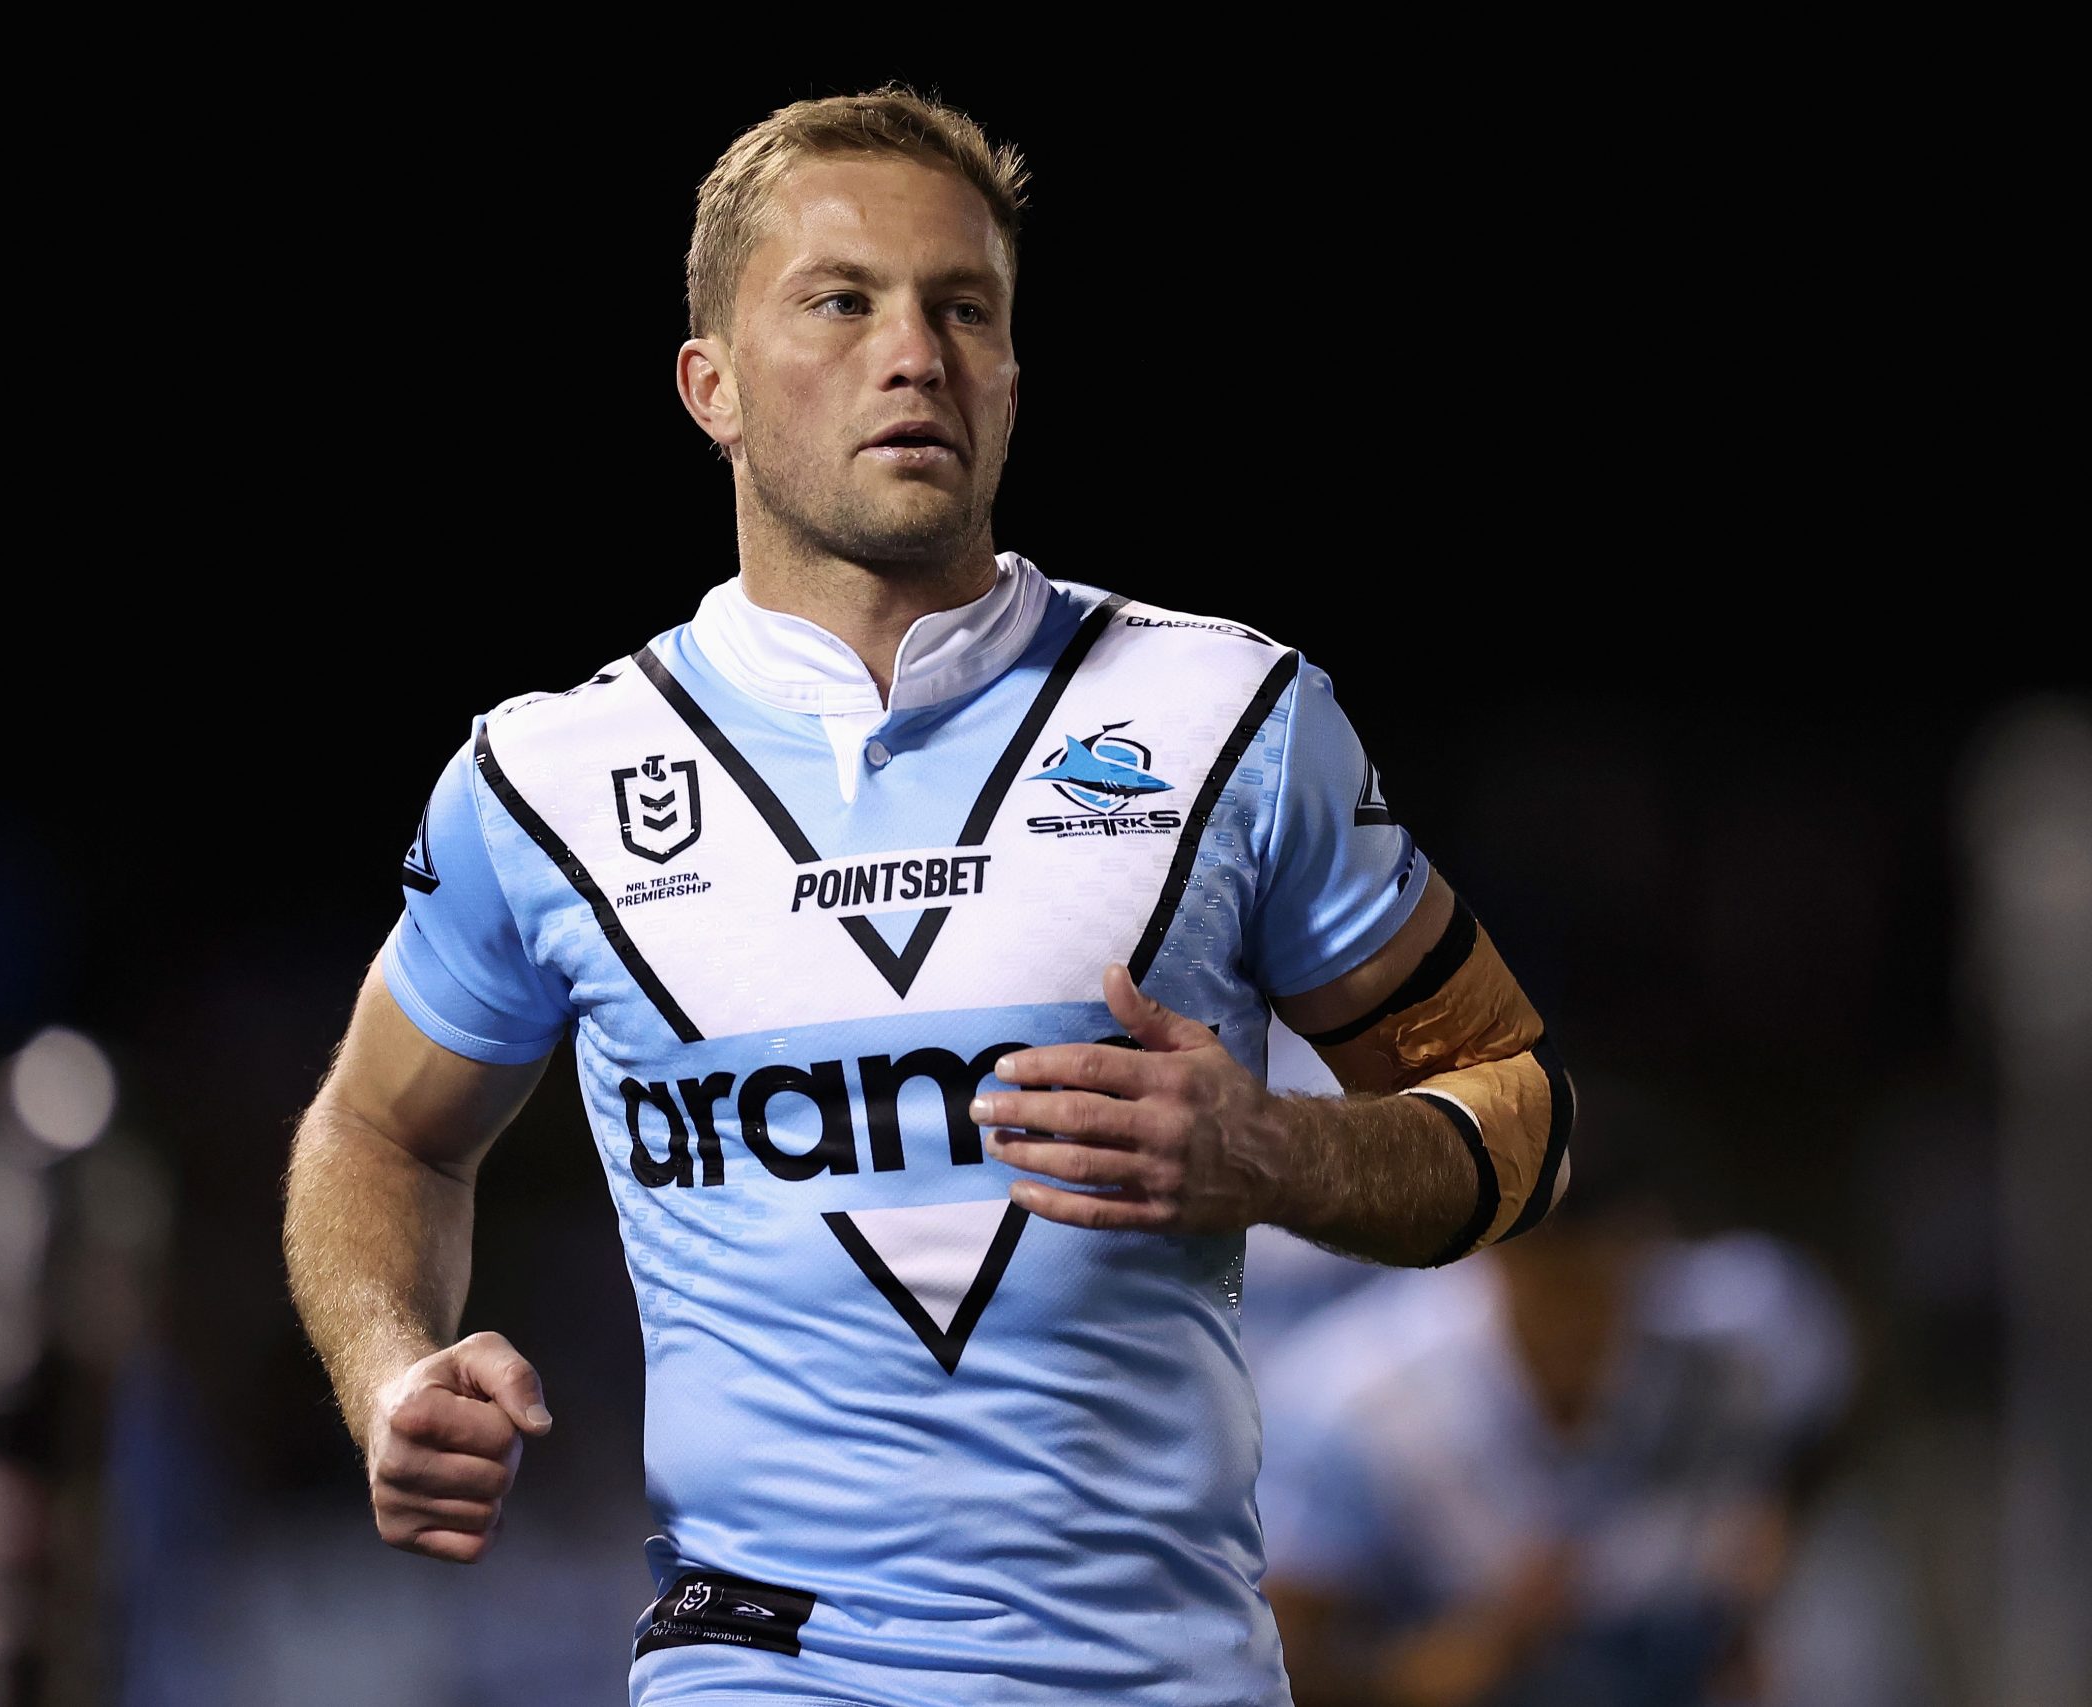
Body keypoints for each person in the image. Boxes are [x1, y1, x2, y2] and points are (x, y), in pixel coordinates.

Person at [282, 86, 1575, 1707]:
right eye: (842, 300)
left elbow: (1523, 1108)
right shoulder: (546, 782)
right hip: (756, 1663)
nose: (918, 353)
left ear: (1016, 371)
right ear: (713, 385)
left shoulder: (1231, 718)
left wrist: (1279, 1149)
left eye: (965, 308)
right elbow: (379, 1130)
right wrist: (391, 1364)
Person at [1252, 1173, 1853, 1707]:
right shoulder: (1350, 1399)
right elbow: (1282, 1661)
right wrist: (1433, 1671)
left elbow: (1824, 1409)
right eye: (1551, 1291)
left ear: (1643, 1256)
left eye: (1600, 1290)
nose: (1577, 1326)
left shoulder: (1735, 1330)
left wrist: (1775, 1524)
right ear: (1490, 1260)